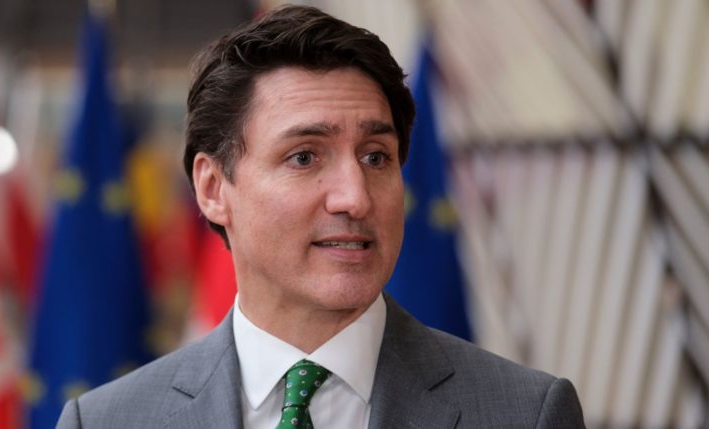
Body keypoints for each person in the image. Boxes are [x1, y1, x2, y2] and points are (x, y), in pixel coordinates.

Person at [56, 5, 584, 428]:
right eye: (304, 157)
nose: (354, 197)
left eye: (376, 156)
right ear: (214, 188)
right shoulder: (105, 420)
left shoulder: (526, 414)